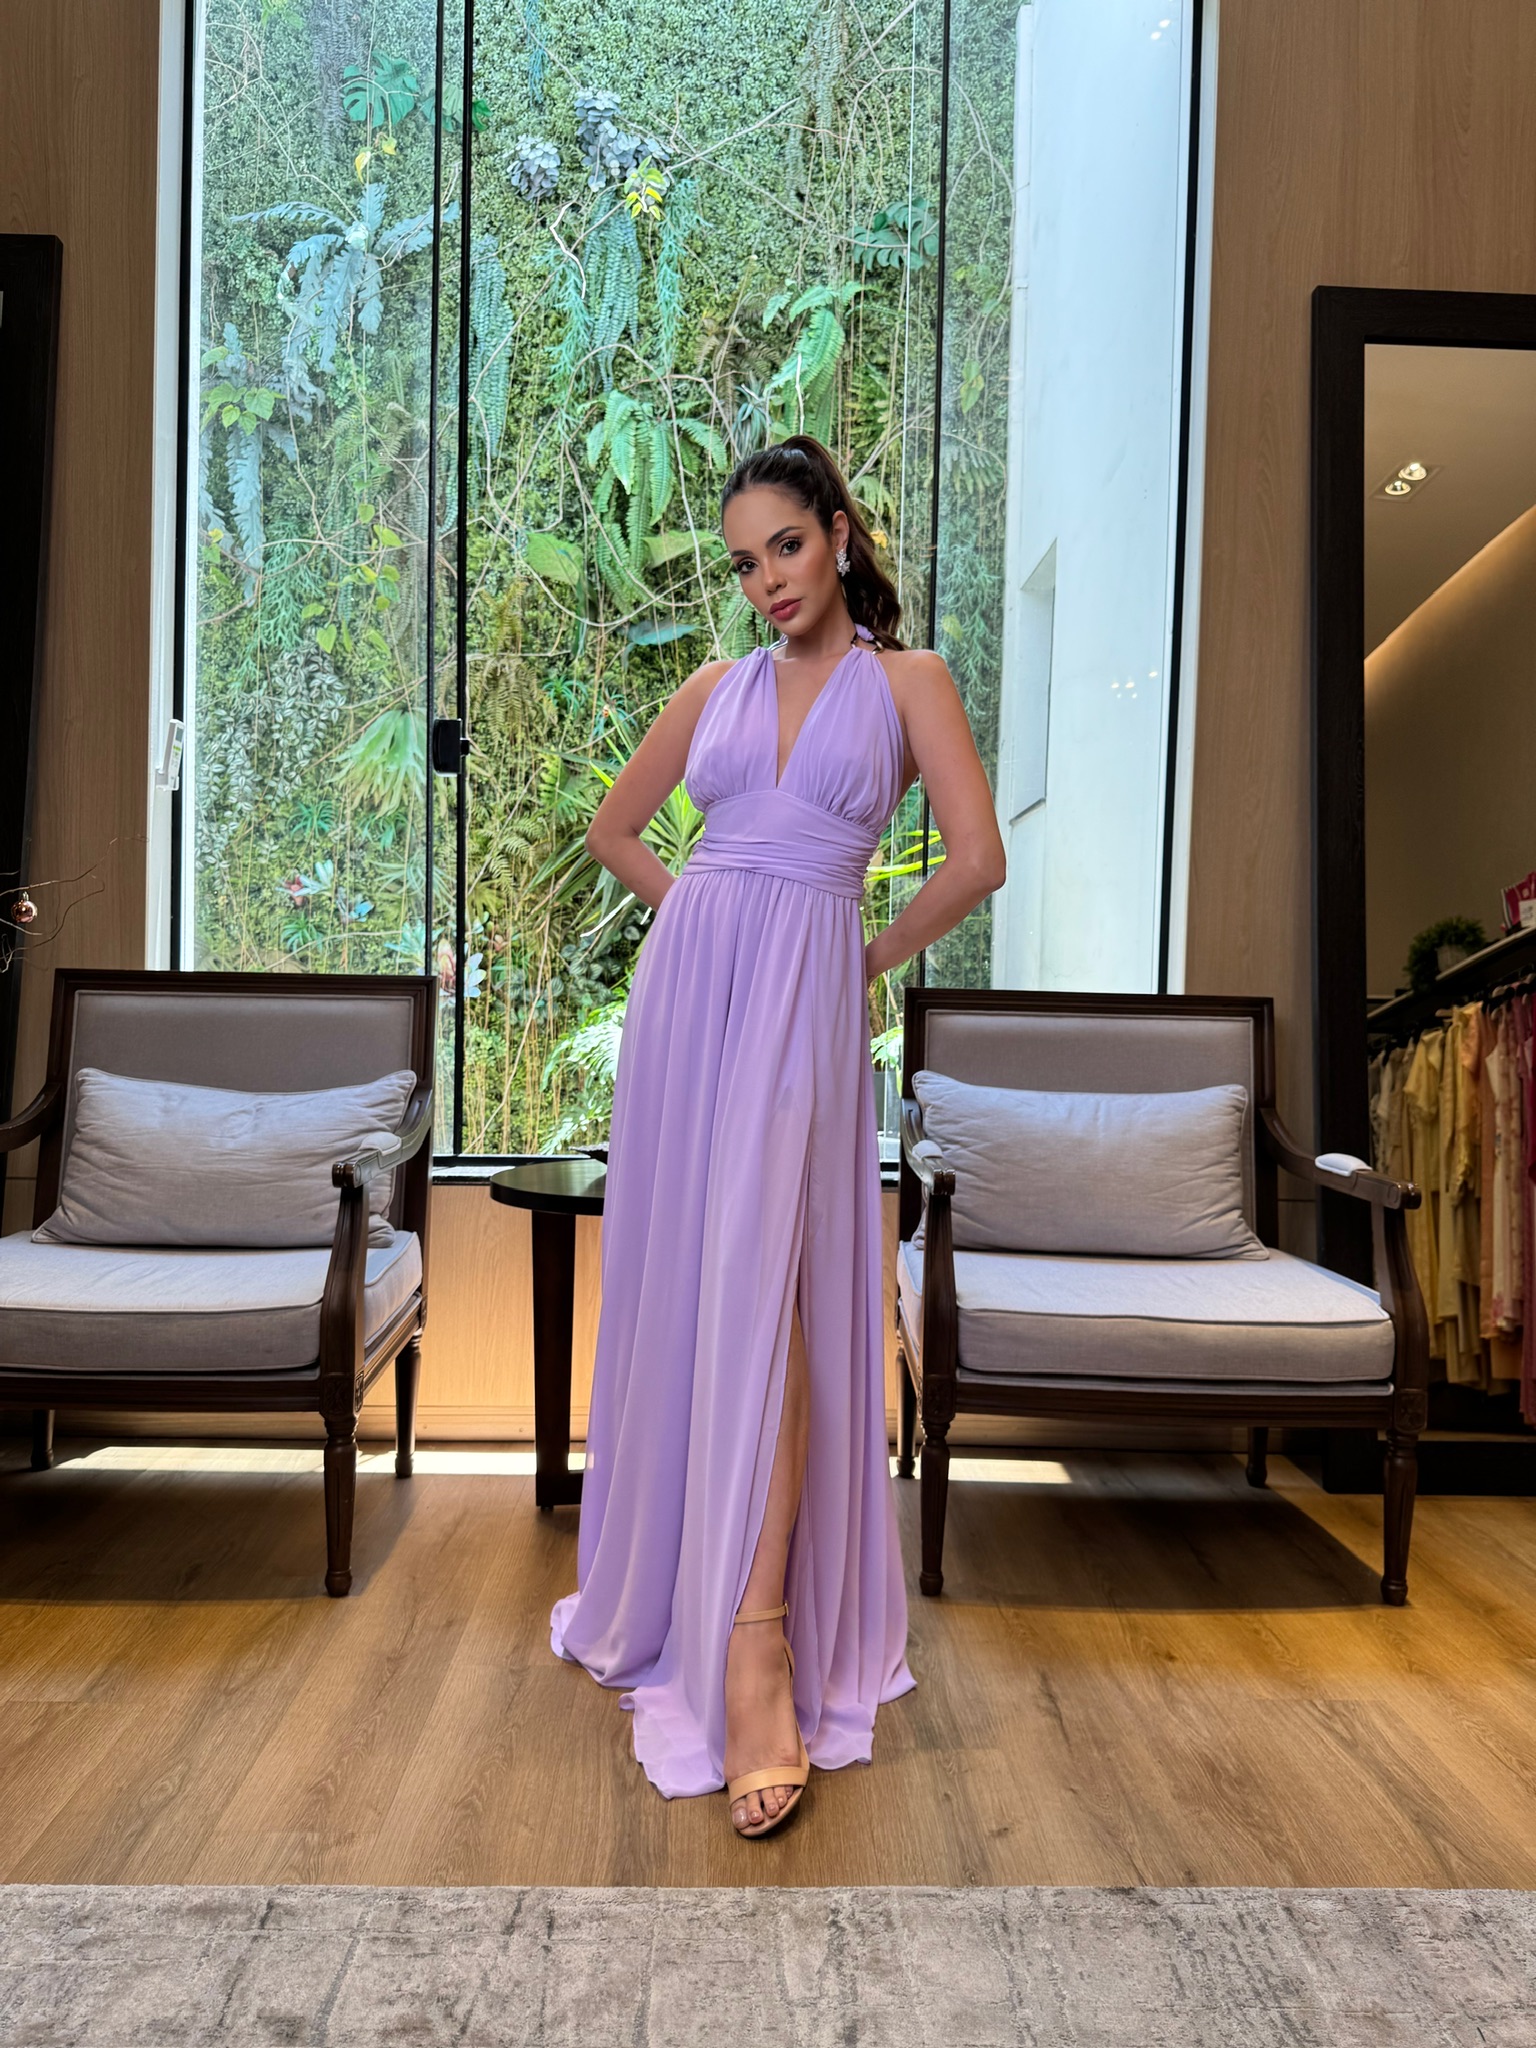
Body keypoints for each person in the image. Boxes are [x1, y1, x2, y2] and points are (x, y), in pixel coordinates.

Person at [549, 434, 1006, 1837]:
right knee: (702, 1284)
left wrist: (854, 957)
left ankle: (758, 1640)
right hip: (693, 1004)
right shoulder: (713, 688)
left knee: (786, 1291)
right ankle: (722, 1617)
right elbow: (616, 832)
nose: (767, 583)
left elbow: (978, 862)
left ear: (840, 533)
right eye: (746, 564)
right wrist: (705, 914)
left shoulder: (910, 683)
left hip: (807, 995)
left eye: (787, 549)